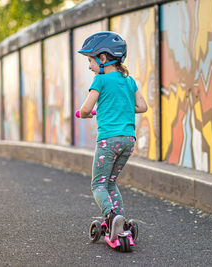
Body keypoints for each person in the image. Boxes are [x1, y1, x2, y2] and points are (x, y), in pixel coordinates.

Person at [76, 31, 148, 242]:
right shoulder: (129, 81)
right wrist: (119, 107)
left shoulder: (100, 80)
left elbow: (86, 108)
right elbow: (142, 107)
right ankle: (121, 222)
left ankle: (111, 215)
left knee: (98, 184)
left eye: (91, 60)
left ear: (104, 58)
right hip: (128, 140)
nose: (89, 66)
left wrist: (86, 114)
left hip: (108, 140)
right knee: (111, 182)